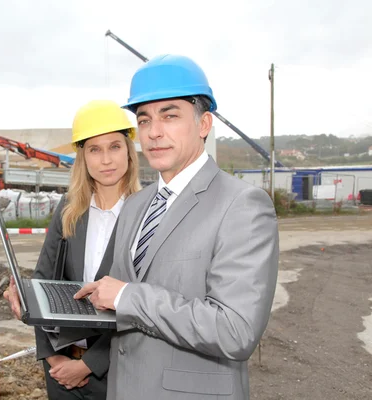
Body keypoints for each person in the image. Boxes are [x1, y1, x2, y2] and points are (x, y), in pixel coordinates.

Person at [74, 55, 280, 399]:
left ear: (204, 124)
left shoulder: (242, 205)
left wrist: (127, 296)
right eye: (144, 120)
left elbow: (235, 330)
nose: (154, 132)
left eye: (170, 116)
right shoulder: (138, 205)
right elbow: (121, 304)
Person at [3, 99, 142, 399]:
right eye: (95, 149)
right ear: (83, 156)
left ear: (129, 152)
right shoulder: (68, 211)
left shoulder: (146, 216)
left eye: (114, 146)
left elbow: (145, 305)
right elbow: (44, 283)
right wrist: (55, 358)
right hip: (62, 371)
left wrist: (89, 365)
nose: (106, 159)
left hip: (116, 374)